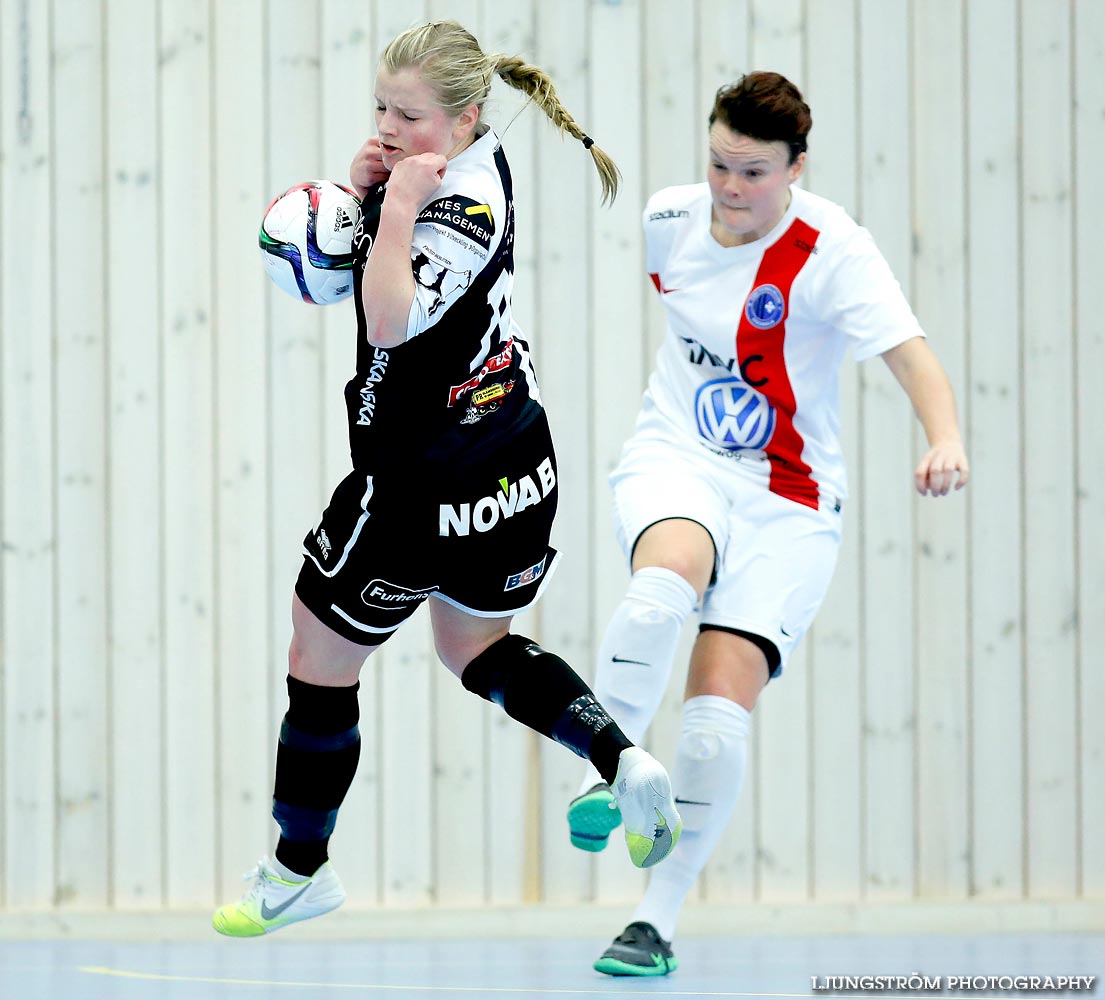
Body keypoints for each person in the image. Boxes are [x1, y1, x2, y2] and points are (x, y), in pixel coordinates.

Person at [213, 20, 682, 938]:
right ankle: (622, 765)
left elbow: (386, 319)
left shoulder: (459, 209)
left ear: (466, 117)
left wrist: (386, 214)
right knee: (474, 647)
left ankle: (296, 868)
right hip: (513, 461)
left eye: (410, 115)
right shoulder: (473, 158)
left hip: (423, 477)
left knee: (318, 650)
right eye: (380, 107)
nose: (388, 128)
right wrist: (364, 190)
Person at [566, 71, 970, 976]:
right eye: (717, 164)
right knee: (659, 589)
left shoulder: (833, 249)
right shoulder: (668, 222)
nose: (729, 189)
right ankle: (605, 772)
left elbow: (912, 357)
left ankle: (654, 924)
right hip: (679, 457)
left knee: (713, 723)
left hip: (788, 496)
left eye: (752, 172)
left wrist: (944, 439)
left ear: (795, 168)